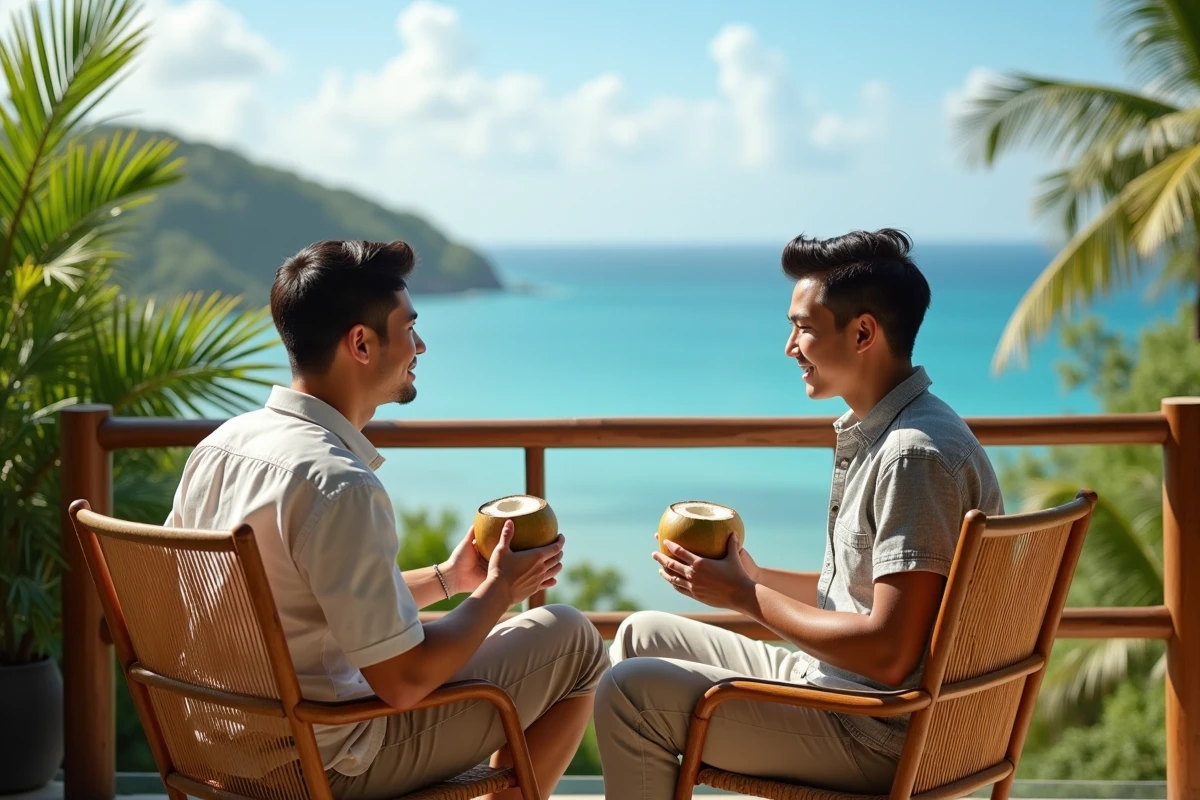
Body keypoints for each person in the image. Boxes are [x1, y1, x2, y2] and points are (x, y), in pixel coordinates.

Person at [166, 240, 608, 800]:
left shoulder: (219, 448)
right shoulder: (339, 484)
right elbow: (404, 681)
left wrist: (452, 579)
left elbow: (296, 603)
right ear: (361, 343)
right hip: (320, 761)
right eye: (409, 329)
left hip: (218, 748)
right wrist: (500, 591)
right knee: (574, 642)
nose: (420, 346)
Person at [594, 229, 1004, 797]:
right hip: (842, 690)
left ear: (863, 333)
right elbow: (865, 597)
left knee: (629, 694)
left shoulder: (913, 456)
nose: (790, 346)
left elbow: (889, 653)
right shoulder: (897, 432)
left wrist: (744, 596)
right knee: (641, 634)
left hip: (875, 733)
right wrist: (754, 577)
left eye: (804, 328)